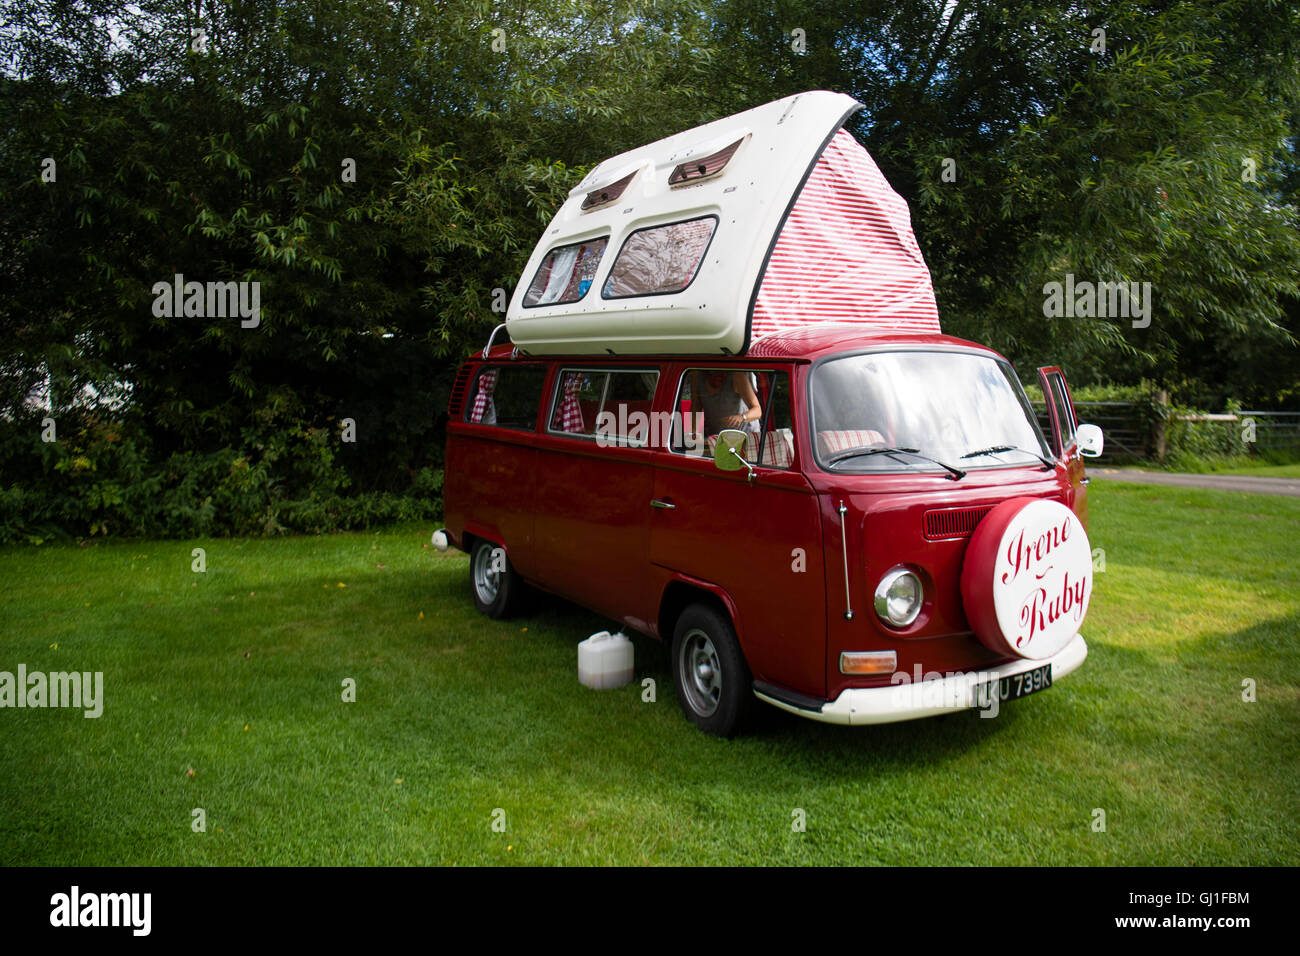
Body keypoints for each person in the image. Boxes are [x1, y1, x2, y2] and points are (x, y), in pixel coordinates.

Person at [690, 370, 762, 448]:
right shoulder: (696, 375)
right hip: (718, 438)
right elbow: (695, 406)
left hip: (745, 437)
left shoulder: (737, 375)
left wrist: (742, 417)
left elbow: (757, 411)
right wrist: (692, 434)